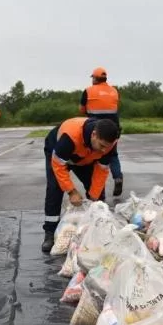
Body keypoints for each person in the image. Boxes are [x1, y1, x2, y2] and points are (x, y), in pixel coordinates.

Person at [41, 117, 120, 253]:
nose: (103, 151)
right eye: (101, 146)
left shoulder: (108, 144)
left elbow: (101, 171)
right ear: (94, 135)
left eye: (106, 148)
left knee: (98, 196)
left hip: (85, 158)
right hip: (58, 154)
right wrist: (71, 191)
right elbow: (59, 165)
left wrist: (93, 197)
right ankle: (50, 232)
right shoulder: (70, 137)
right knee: (55, 188)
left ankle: (96, 230)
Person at [79, 67, 124, 196]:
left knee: (95, 159)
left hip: (96, 131)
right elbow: (115, 107)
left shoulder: (88, 91)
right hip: (113, 131)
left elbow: (82, 110)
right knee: (112, 155)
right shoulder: (114, 91)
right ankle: (118, 177)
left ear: (94, 78)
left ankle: (97, 191)